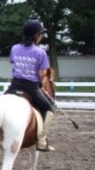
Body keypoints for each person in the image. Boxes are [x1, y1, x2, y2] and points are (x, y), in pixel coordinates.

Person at [4, 19, 56, 151]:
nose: (42, 36)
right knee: (49, 108)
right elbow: (41, 74)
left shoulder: (15, 48)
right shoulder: (40, 52)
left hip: (14, 86)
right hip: (31, 87)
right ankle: (42, 141)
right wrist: (40, 82)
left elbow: (13, 62)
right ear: (36, 35)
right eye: (41, 34)